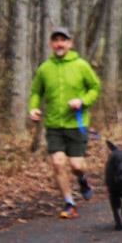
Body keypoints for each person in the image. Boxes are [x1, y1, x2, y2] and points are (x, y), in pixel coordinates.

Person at [29, 27, 102, 220]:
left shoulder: (81, 65)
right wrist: (33, 108)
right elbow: (36, 91)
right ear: (51, 44)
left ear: (70, 43)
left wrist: (83, 101)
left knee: (77, 165)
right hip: (53, 124)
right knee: (57, 162)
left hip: (76, 124)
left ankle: (83, 180)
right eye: (56, 40)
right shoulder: (45, 68)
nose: (59, 44)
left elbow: (95, 87)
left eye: (63, 40)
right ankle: (69, 203)